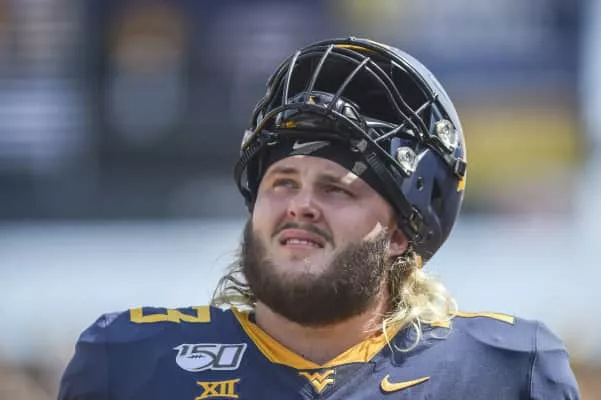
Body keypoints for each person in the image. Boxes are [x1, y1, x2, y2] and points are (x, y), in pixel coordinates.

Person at [58, 37, 581, 399]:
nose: (300, 204)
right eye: (283, 182)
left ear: (400, 233)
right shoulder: (126, 365)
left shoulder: (507, 373)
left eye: (336, 188)